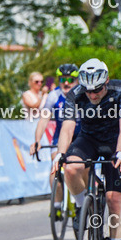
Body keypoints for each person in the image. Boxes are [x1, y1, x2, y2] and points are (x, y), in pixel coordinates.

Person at [54, 58, 121, 240]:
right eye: (88, 91)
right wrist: (61, 153)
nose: (93, 95)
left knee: (114, 199)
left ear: (106, 81)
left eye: (97, 89)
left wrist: (120, 151)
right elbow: (68, 127)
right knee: (69, 167)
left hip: (115, 141)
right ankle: (83, 208)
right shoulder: (76, 94)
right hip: (88, 139)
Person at [30, 64, 78, 215]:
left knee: (80, 167)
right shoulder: (54, 96)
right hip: (60, 136)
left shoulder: (82, 94)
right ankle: (57, 203)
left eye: (70, 79)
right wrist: (37, 141)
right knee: (55, 166)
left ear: (76, 80)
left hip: (80, 136)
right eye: (63, 79)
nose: (66, 83)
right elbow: (44, 120)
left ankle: (82, 200)